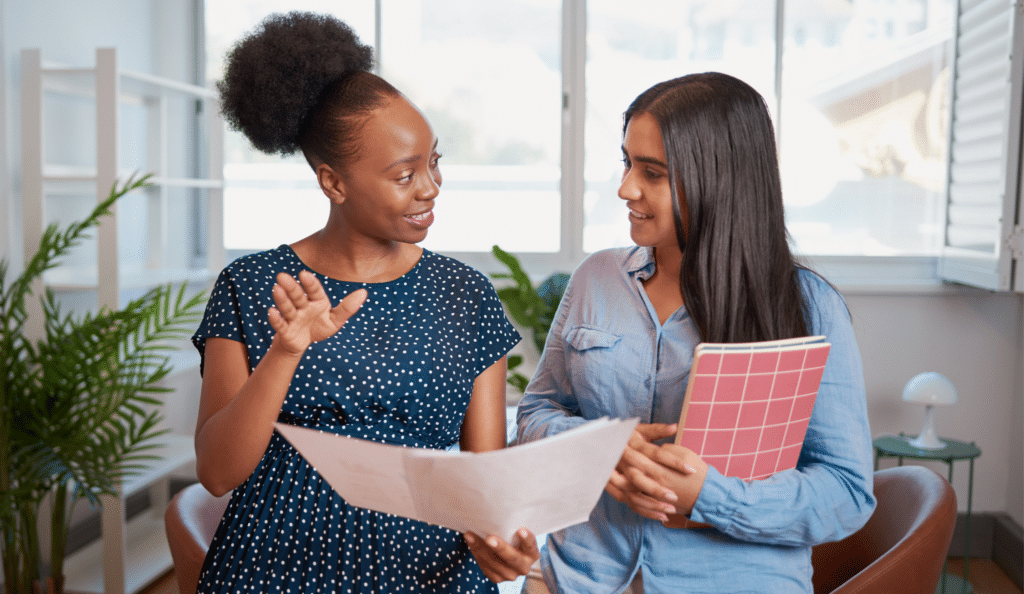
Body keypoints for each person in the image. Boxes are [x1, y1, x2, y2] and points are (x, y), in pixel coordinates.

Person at [191, 12, 538, 593]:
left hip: (430, 574)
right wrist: (286, 351)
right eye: (404, 175)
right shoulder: (252, 285)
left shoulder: (466, 294)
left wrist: (503, 542)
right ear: (334, 183)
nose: (430, 187)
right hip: (275, 571)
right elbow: (218, 473)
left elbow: (485, 484)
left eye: (434, 162)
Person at [516, 72, 876, 593]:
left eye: (653, 173)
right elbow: (534, 415)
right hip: (579, 580)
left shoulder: (806, 306)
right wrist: (598, 446)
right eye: (626, 163)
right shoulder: (596, 279)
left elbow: (847, 492)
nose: (625, 188)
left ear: (719, 178)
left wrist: (709, 497)